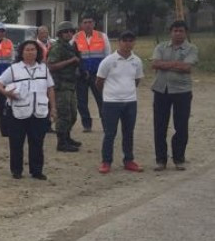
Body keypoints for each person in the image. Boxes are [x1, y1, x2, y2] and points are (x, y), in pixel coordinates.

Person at [0, 40, 56, 181]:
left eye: (33, 49)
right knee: (16, 142)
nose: (30, 52)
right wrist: (7, 93)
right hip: (18, 111)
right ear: (21, 52)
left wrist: (53, 108)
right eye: (27, 50)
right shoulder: (14, 69)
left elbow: (50, 88)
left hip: (39, 111)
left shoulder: (43, 69)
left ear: (38, 52)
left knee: (37, 142)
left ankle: (37, 170)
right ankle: (16, 170)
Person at [151, 20, 199, 171]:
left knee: (181, 126)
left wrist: (164, 64)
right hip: (161, 90)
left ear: (186, 33)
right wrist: (176, 64)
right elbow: (154, 64)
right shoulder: (161, 46)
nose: (178, 33)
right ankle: (161, 160)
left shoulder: (192, 48)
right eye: (175, 31)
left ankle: (179, 158)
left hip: (182, 92)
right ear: (170, 32)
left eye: (181, 31)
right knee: (159, 126)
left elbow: (187, 67)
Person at [95, 31, 144, 174]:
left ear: (134, 42)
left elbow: (136, 80)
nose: (128, 43)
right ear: (119, 42)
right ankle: (106, 161)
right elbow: (99, 81)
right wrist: (110, 93)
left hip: (130, 102)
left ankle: (128, 160)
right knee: (110, 133)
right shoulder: (108, 61)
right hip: (111, 102)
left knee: (128, 132)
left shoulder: (137, 61)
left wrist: (127, 92)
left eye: (131, 40)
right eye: (125, 40)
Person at [46, 21, 83, 153]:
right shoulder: (57, 48)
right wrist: (71, 61)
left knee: (72, 114)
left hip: (70, 84)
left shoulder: (69, 46)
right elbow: (50, 66)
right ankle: (61, 142)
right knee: (64, 115)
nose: (69, 34)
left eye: (71, 31)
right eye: (66, 32)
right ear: (60, 34)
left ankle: (67, 137)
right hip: (61, 85)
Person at [72, 15, 110, 132]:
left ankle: (106, 124)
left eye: (90, 22)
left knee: (101, 99)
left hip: (97, 74)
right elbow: (71, 55)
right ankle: (87, 125)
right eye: (85, 22)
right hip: (82, 74)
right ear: (81, 25)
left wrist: (105, 74)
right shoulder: (75, 38)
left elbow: (108, 55)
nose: (88, 24)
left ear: (94, 24)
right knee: (82, 101)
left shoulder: (102, 36)